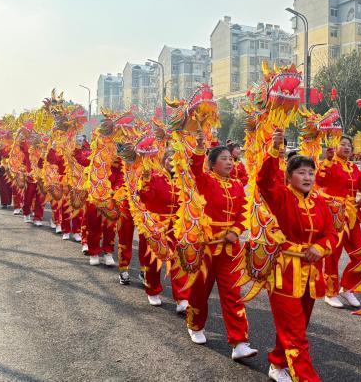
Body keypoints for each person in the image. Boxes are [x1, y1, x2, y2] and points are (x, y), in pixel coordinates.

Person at [258, 128, 337, 382]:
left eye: (311, 173)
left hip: (311, 275)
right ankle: (306, 377)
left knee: (297, 326)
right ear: (289, 177)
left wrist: (320, 248)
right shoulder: (281, 196)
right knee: (296, 333)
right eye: (301, 172)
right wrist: (275, 148)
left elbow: (331, 234)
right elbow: (264, 181)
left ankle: (277, 364)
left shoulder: (320, 202)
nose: (308, 177)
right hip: (284, 273)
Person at [185, 131, 257, 361]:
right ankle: (195, 325)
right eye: (224, 158)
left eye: (231, 158)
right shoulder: (205, 180)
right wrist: (198, 147)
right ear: (213, 164)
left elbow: (242, 214)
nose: (229, 162)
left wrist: (236, 231)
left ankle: (239, 342)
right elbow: (195, 169)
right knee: (200, 290)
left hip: (230, 249)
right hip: (206, 247)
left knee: (233, 294)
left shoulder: (237, 186)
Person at [316, 135, 361, 308]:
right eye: (343, 144)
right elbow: (319, 180)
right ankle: (329, 292)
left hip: (352, 216)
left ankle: (347, 288)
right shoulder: (329, 164)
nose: (346, 147)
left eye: (349, 145)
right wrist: (327, 160)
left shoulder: (353, 168)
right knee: (332, 255)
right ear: (335, 146)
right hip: (334, 216)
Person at [136, 148, 191, 310]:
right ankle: (152, 290)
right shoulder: (154, 177)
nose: (172, 161)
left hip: (177, 226)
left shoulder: (184, 180)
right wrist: (145, 180)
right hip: (154, 226)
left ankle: (182, 298)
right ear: (163, 160)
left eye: (176, 158)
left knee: (179, 260)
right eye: (169, 158)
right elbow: (146, 198)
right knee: (153, 260)